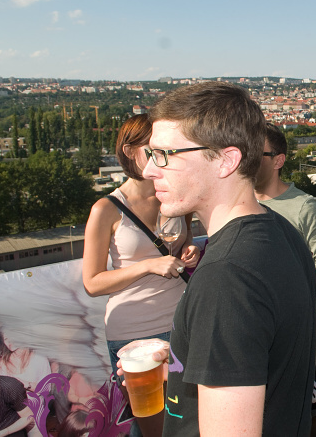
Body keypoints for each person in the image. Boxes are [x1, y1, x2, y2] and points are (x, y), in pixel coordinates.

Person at [141, 82, 316, 435]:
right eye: (150, 154)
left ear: (226, 159)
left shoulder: (227, 278)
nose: (148, 170)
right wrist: (184, 356)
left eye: (164, 154)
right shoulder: (281, 232)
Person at [81, 114, 200, 437]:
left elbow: (183, 242)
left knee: (183, 418)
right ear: (129, 151)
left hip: (180, 321)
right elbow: (92, 282)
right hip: (133, 331)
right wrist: (148, 266)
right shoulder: (106, 209)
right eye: (153, 150)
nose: (160, 159)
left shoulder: (174, 197)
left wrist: (189, 252)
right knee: (150, 422)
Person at [254, 123, 316, 288]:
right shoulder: (235, 201)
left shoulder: (305, 207)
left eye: (255, 154)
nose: (246, 161)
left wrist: (276, 284)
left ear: (278, 161)